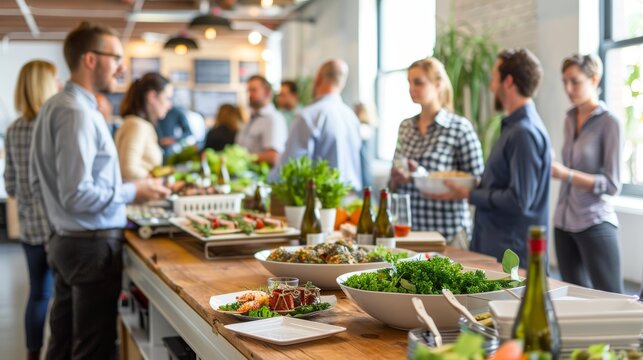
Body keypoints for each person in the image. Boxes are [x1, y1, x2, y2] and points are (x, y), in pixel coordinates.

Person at [29, 22, 170, 360]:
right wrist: (132, 190)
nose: (122, 67)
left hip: (68, 240)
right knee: (93, 349)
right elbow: (76, 194)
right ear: (90, 59)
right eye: (116, 57)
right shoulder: (76, 113)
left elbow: (39, 182)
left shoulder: (55, 105)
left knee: (61, 343)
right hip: (89, 244)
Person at [434, 49, 551, 267]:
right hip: (497, 246)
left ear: (508, 81)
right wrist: (478, 186)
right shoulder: (513, 128)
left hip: (510, 254)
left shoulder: (523, 132)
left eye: (494, 78)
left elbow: (519, 200)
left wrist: (470, 194)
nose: (490, 86)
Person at [390, 58, 484, 246]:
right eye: (409, 82)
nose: (411, 88)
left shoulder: (459, 127)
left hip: (447, 233)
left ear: (438, 85)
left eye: (418, 82)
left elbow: (479, 180)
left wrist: (456, 190)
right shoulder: (406, 126)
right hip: (411, 232)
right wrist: (398, 177)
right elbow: (393, 179)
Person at [552, 54, 624, 293]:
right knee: (573, 296)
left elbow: (613, 185)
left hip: (594, 221)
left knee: (611, 298)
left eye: (575, 81)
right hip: (563, 222)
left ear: (594, 79)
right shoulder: (569, 118)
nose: (568, 88)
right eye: (564, 82)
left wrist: (567, 174)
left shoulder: (610, 122)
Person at [4, 60, 58, 360]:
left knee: (38, 294)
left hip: (30, 228)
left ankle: (32, 355)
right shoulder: (52, 126)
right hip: (58, 228)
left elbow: (10, 185)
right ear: (45, 86)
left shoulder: (13, 130)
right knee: (64, 299)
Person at [270, 59, 363, 190]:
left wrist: (268, 182)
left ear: (318, 79)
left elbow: (290, 166)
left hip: (321, 202)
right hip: (351, 199)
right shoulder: (351, 116)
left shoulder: (309, 115)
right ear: (342, 83)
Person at [115, 72, 173, 181]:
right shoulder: (137, 125)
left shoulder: (138, 123)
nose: (170, 105)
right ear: (152, 96)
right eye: (167, 98)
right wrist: (155, 180)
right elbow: (127, 169)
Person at [236, 75, 288, 166]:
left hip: (262, 178)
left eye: (254, 90)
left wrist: (244, 158)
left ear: (267, 92)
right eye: (248, 91)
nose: (250, 95)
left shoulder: (273, 119)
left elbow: (273, 157)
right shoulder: (252, 118)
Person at [354, 102, 376, 189]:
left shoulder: (363, 128)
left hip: (363, 168)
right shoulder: (367, 128)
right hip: (365, 167)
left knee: (366, 193)